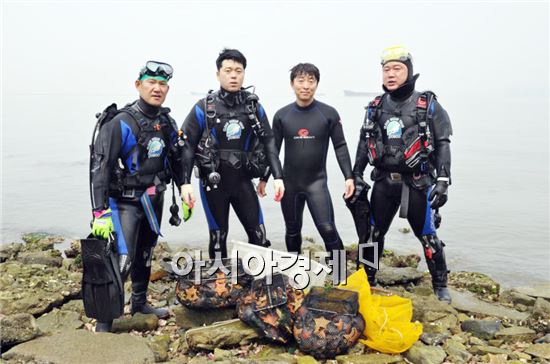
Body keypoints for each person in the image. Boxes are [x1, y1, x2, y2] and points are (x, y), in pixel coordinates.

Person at [353, 46, 453, 302]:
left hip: (418, 182)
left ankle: (440, 287)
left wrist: (443, 181)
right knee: (372, 235)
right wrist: (356, 174)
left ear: (409, 72)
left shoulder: (427, 104)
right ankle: (367, 280)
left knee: (428, 238)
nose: (391, 74)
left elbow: (442, 143)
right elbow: (364, 142)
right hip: (384, 182)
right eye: (386, 69)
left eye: (397, 68)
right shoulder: (375, 106)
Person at [90, 61, 182, 331]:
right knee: (122, 259)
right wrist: (100, 212)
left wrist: (185, 187)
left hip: (154, 199)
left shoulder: (166, 121)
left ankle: (139, 303)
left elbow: (176, 159)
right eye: (151, 82)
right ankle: (104, 320)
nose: (157, 88)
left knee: (145, 253)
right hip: (125, 203)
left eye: (162, 84)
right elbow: (101, 168)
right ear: (138, 84)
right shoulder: (120, 122)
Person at [179, 48, 284, 259]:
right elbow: (187, 146)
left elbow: (269, 141)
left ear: (244, 73)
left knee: (259, 235)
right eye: (228, 70)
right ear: (218, 74)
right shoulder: (204, 107)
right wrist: (185, 182)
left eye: (238, 70)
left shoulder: (254, 107)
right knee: (218, 238)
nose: (233, 75)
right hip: (214, 182)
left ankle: (259, 283)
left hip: (243, 181)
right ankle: (220, 287)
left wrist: (277, 177)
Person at [258, 63, 354, 260]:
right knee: (292, 231)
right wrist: (264, 178)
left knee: (327, 228)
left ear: (317, 84)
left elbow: (341, 146)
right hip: (289, 183)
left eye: (311, 81)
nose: (306, 86)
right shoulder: (282, 115)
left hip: (317, 183)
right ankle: (295, 272)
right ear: (292, 84)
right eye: (301, 80)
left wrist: (348, 176)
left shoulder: (328, 114)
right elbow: (273, 150)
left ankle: (340, 274)